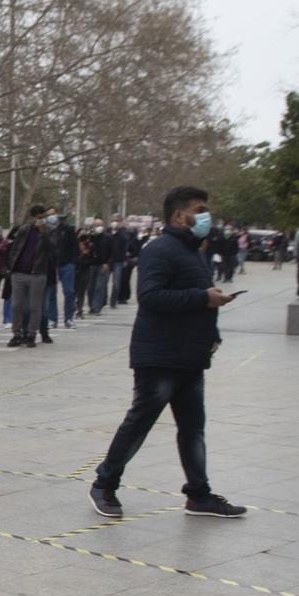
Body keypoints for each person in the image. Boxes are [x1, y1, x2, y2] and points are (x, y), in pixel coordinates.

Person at [89, 185, 247, 522]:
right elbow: (151, 297)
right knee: (140, 423)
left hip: (190, 355)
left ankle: (199, 495)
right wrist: (203, 298)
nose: (206, 216)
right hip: (159, 355)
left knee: (193, 428)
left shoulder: (193, 251)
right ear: (179, 215)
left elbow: (201, 296)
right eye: (200, 209)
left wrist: (212, 329)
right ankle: (104, 484)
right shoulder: (160, 249)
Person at [6, 205, 54, 348]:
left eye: (43, 218)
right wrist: (11, 267)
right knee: (16, 306)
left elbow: (52, 248)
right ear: (32, 217)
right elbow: (14, 248)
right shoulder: (23, 229)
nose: (41, 220)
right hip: (19, 273)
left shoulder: (49, 231)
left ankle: (31, 334)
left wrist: (43, 232)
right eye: (39, 217)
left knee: (35, 307)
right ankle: (17, 334)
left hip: (37, 274)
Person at [49, 208, 80, 328]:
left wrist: (73, 262)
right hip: (52, 264)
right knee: (52, 293)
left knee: (69, 292)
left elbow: (75, 247)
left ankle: (68, 318)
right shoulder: (47, 230)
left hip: (67, 264)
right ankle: (53, 319)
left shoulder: (68, 230)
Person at [110, 218, 136, 306]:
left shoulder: (123, 233)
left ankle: (113, 300)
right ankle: (101, 301)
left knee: (116, 283)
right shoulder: (109, 231)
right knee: (101, 283)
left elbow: (126, 240)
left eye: (117, 222)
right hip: (108, 260)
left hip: (118, 260)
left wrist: (120, 230)